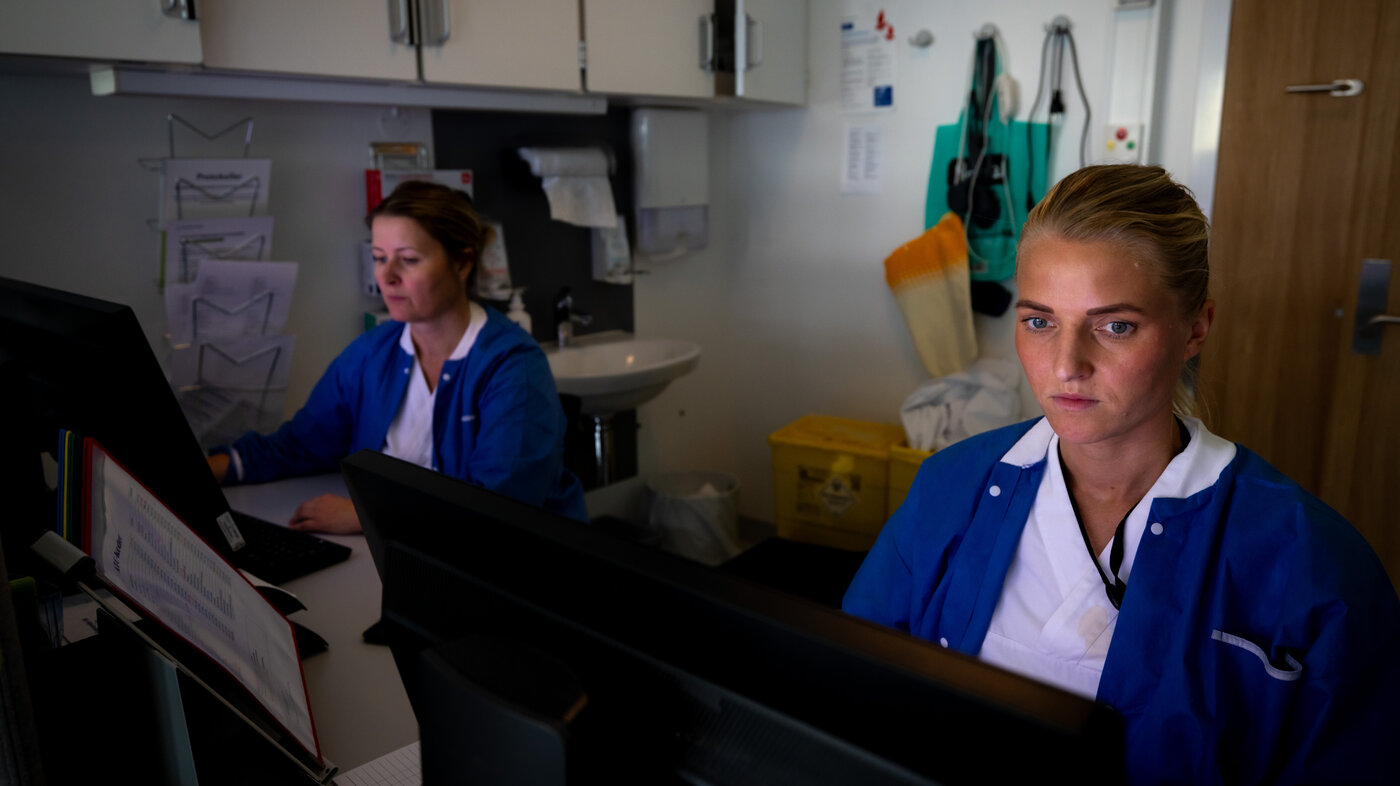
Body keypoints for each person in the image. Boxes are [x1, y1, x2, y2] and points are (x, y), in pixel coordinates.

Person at [842, 164, 1400, 783]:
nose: (1066, 365)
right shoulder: (950, 491)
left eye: (1115, 326)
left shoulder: (1314, 566)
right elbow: (854, 693)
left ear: (1196, 329)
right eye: (1039, 321)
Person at [207, 180, 587, 532]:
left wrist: (365, 515)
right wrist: (205, 470)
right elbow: (300, 446)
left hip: (514, 572)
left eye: (408, 259)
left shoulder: (512, 368)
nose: (386, 277)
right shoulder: (372, 353)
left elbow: (498, 511)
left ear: (462, 263)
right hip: (405, 550)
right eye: (378, 257)